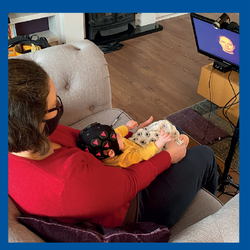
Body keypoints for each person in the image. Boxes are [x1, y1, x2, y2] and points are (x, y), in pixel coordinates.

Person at [8, 58, 218, 230]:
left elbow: (84, 139)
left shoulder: (24, 136)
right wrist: (167, 156)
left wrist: (124, 136)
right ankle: (215, 218)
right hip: (130, 209)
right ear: (34, 123)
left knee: (175, 132)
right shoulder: (66, 184)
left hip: (107, 173)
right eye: (54, 105)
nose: (60, 107)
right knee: (205, 155)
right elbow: (131, 181)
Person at [76, 119, 189, 168]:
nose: (119, 134)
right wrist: (160, 142)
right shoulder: (124, 159)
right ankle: (180, 141)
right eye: (117, 138)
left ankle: (173, 134)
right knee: (184, 138)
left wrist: (127, 127)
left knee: (169, 127)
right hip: (145, 150)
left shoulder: (109, 148)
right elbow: (142, 154)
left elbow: (117, 132)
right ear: (111, 152)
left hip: (134, 142)